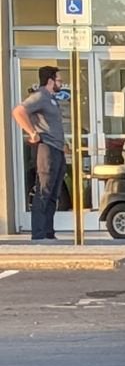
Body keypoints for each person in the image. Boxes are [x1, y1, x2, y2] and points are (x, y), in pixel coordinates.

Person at [11, 66, 68, 241]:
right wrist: (32, 132)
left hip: (57, 149)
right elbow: (18, 111)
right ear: (50, 80)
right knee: (44, 190)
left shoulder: (51, 99)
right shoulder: (40, 96)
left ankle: (49, 232)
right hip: (46, 149)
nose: (61, 83)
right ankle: (38, 234)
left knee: (53, 193)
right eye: (59, 80)